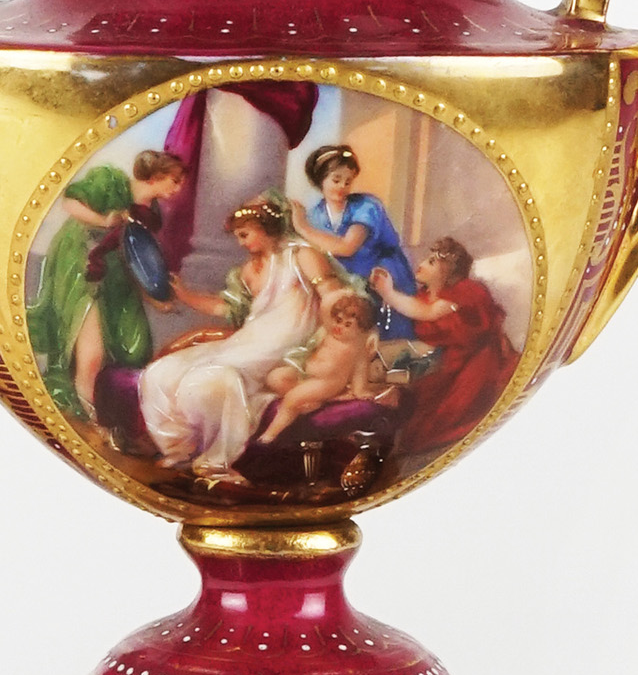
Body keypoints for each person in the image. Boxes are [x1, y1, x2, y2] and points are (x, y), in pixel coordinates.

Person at [139, 194, 338, 472]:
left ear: (265, 228)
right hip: (251, 339)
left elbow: (333, 296)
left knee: (209, 378)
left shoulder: (301, 256)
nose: (241, 243)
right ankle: (180, 448)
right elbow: (226, 309)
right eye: (237, 237)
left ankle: (218, 459)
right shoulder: (249, 271)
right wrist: (185, 295)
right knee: (161, 372)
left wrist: (338, 336)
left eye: (244, 234)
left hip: (287, 343)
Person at [27, 149, 188, 420]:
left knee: (134, 345)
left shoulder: (150, 213)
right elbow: (70, 202)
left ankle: (107, 409)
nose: (179, 188)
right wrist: (104, 221)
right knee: (91, 353)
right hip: (81, 263)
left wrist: (154, 295)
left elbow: (135, 257)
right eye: (175, 180)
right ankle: (91, 417)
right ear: (156, 176)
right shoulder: (110, 181)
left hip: (115, 273)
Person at [371, 235, 518, 454]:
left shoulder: (464, 292)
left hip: (472, 361)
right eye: (427, 259)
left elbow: (427, 313)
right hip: (446, 355)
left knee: (439, 416)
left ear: (448, 272)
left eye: (431, 262)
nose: (422, 264)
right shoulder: (425, 294)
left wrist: (389, 293)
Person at [289, 144, 419, 339]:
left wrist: (303, 228)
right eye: (336, 180)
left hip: (381, 270)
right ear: (320, 180)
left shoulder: (366, 206)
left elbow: (347, 247)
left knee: (379, 330)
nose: (342, 186)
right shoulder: (315, 215)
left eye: (348, 181)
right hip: (346, 276)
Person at [255, 287, 396, 444]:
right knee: (275, 378)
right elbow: (326, 306)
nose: (339, 327)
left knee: (292, 399)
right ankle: (312, 403)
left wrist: (360, 390)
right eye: (338, 320)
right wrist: (346, 293)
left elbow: (359, 371)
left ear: (360, 330)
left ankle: (269, 436)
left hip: (326, 383)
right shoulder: (329, 332)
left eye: (348, 325)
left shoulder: (356, 348)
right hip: (306, 375)